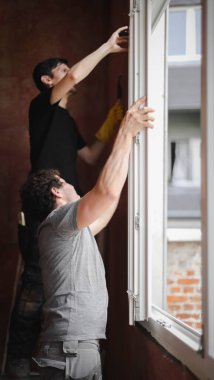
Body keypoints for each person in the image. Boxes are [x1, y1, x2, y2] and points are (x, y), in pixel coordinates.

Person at [6, 26, 128, 378]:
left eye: (65, 69)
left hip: (66, 209)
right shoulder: (41, 108)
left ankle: (51, 355)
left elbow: (90, 155)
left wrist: (113, 122)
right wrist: (106, 47)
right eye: (61, 70)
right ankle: (17, 365)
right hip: (45, 206)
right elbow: (76, 73)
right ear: (47, 80)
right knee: (34, 283)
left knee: (60, 283)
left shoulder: (65, 119)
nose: (70, 72)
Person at [19, 97, 154, 380]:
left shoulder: (69, 233)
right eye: (66, 182)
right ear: (57, 192)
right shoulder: (57, 223)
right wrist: (126, 133)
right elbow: (105, 193)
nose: (72, 184)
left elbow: (105, 208)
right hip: (69, 351)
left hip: (75, 348)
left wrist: (128, 153)